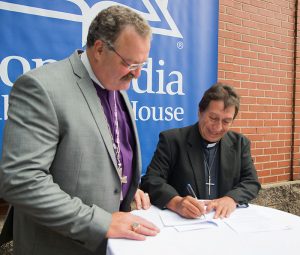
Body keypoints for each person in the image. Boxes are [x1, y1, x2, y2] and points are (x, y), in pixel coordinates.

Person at [0, 5, 159, 255]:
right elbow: (21, 181)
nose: (138, 74)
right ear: (99, 49)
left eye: (142, 64)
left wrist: (126, 190)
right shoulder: (42, 87)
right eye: (130, 63)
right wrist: (102, 222)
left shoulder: (117, 88)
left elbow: (107, 156)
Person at [141, 83, 261, 219]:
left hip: (223, 221)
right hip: (182, 222)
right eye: (213, 118)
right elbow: (151, 180)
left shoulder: (240, 143)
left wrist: (231, 199)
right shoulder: (172, 140)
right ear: (200, 112)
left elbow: (251, 182)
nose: (217, 127)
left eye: (226, 121)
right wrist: (176, 202)